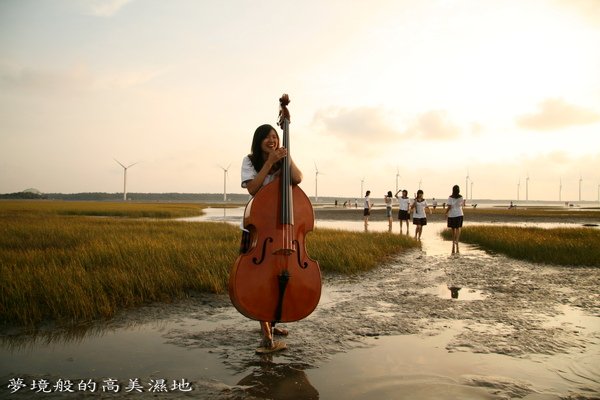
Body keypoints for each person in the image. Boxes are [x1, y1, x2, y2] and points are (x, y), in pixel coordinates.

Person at [240, 123, 302, 351]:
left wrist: (286, 155)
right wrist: (269, 163)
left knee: (277, 277)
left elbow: (298, 177)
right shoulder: (249, 161)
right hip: (258, 231)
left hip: (283, 232)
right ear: (258, 141)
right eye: (266, 137)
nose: (271, 140)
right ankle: (265, 331)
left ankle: (273, 321)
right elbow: (253, 189)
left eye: (274, 136)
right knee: (260, 279)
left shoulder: (282, 159)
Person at [445, 185, 464, 254]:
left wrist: (446, 212)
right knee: (458, 228)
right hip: (459, 213)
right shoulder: (461, 197)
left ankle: (453, 240)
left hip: (452, 214)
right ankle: (457, 240)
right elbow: (462, 204)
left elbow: (449, 206)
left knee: (453, 228)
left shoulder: (450, 197)